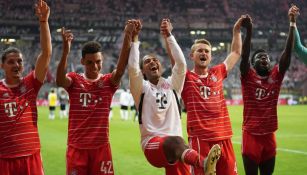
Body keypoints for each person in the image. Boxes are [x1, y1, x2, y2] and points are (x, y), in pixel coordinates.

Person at [128, 18, 221, 175]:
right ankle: (204, 163)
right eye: (147, 62)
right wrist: (135, 40)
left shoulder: (173, 85)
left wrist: (169, 36)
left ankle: (201, 163)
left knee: (179, 149)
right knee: (175, 142)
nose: (152, 62)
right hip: (152, 143)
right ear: (143, 71)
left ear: (161, 66)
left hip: (178, 147)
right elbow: (132, 68)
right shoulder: (141, 88)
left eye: (155, 60)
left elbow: (181, 64)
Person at [56, 20, 134, 174]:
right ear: (82, 62)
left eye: (98, 62)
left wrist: (127, 35)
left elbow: (120, 68)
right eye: (90, 62)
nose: (95, 66)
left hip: (101, 148)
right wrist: (65, 51)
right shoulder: (74, 80)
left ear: (102, 61)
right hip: (77, 147)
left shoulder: (108, 82)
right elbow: (59, 80)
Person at [178, 15, 246, 175]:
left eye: (207, 51)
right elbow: (175, 61)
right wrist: (168, 36)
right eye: (199, 51)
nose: (204, 53)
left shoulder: (218, 72)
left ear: (211, 56)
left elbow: (236, 52)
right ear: (191, 56)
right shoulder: (185, 77)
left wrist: (236, 31)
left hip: (224, 137)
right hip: (200, 139)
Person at [239, 6, 298, 175]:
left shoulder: (276, 76)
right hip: (251, 136)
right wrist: (249, 31)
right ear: (253, 63)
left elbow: (287, 53)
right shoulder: (247, 76)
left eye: (266, 57)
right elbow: (244, 56)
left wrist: (292, 23)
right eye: (259, 57)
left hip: (269, 136)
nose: (264, 58)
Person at [0, 0, 52, 174]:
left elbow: (46, 54)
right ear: (2, 66)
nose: (16, 65)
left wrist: (43, 22)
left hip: (31, 157)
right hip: (4, 159)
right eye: (11, 62)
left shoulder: (30, 84)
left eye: (20, 61)